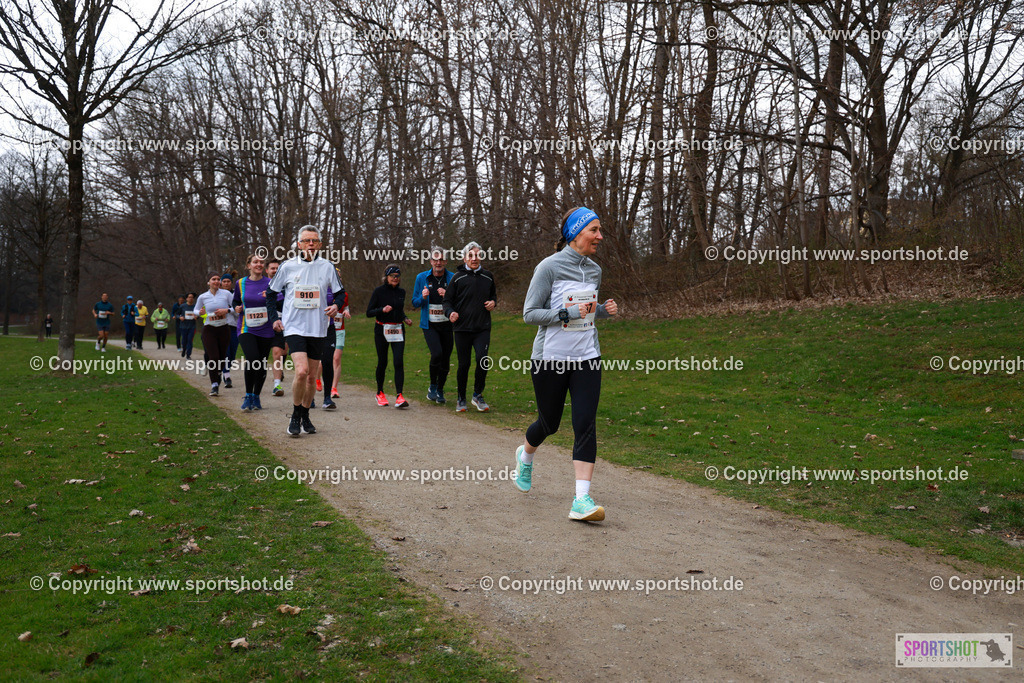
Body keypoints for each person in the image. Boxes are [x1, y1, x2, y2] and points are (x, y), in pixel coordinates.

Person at [515, 207, 618, 522]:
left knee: (585, 423)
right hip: (551, 359)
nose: (600, 236)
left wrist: (601, 309)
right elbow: (530, 313)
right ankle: (526, 455)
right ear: (576, 233)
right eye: (594, 230)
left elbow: (585, 311)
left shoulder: (595, 270)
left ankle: (581, 499)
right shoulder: (549, 267)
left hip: (587, 356)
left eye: (600, 231)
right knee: (549, 424)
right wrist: (564, 314)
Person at [267, 225, 346, 437]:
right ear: (299, 245)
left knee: (312, 377)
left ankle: (305, 414)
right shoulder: (287, 266)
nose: (310, 244)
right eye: (306, 241)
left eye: (314, 241)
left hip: (319, 327)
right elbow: (271, 293)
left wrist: (336, 306)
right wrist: (274, 318)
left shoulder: (328, 266)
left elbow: (340, 293)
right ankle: (294, 414)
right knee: (301, 371)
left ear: (320, 244)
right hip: (294, 326)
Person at [442, 242, 496, 412]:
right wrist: (450, 313)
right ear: (465, 258)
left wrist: (493, 303)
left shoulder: (488, 276)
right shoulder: (457, 277)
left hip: (482, 328)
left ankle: (478, 395)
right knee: (463, 364)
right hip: (462, 329)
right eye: (471, 256)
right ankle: (461, 398)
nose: (474, 259)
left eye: (477, 255)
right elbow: (447, 301)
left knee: (482, 360)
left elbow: (494, 296)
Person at [233, 254, 276, 411]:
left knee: (261, 362)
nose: (258, 264)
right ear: (248, 265)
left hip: (266, 328)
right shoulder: (240, 283)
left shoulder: (271, 283)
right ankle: (247, 395)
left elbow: (282, 299)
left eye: (261, 262)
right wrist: (237, 308)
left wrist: (271, 297)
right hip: (246, 328)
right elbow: (236, 301)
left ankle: (256, 396)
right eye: (255, 262)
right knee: (252, 358)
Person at [367, 265, 413, 408]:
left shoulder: (402, 292)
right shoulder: (378, 291)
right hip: (382, 329)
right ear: (386, 277)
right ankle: (380, 392)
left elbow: (399, 309)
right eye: (392, 276)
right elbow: (369, 312)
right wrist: (382, 309)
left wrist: (405, 318)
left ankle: (399, 396)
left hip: (397, 329)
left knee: (398, 361)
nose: (395, 278)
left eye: (397, 276)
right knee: (383, 361)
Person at [412, 249, 455, 404]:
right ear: (430, 261)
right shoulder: (421, 277)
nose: (438, 263)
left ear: (445, 262)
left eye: (441, 260)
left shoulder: (452, 278)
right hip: (429, 325)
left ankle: (441, 389)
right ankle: (433, 385)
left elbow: (459, 302)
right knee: (437, 353)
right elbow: (414, 302)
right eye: (435, 259)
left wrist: (448, 295)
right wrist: (423, 298)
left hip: (447, 324)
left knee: (446, 358)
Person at [194, 274, 234, 396]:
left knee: (222, 357)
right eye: (213, 279)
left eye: (218, 279)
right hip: (209, 329)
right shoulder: (203, 296)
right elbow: (195, 310)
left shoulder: (227, 294)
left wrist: (226, 311)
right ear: (208, 282)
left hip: (223, 328)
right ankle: (214, 385)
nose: (216, 281)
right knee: (214, 357)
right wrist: (200, 312)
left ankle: (218, 374)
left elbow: (235, 308)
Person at [316, 284, 350, 410]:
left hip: (331, 328)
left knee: (328, 360)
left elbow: (343, 301)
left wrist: (339, 307)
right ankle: (310, 397)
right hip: (312, 328)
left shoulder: (338, 290)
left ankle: (327, 397)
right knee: (313, 362)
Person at [265, 258, 287, 396]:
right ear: (267, 270)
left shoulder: (285, 284)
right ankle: (277, 385)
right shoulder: (263, 284)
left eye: (277, 268)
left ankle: (280, 370)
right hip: (266, 324)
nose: (275, 271)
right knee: (277, 353)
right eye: (272, 268)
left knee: (284, 352)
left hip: (286, 322)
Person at [328, 278, 350, 400]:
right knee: (322, 361)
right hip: (326, 330)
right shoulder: (323, 292)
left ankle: (334, 388)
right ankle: (317, 379)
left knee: (336, 358)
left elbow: (346, 307)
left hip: (339, 330)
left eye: (340, 278)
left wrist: (346, 312)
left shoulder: (344, 294)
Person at [220, 272, 239, 389]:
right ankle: (226, 376)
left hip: (234, 326)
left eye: (228, 281)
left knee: (232, 354)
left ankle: (224, 370)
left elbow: (238, 312)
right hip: (221, 326)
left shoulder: (236, 295)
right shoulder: (217, 295)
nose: (226, 283)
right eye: (224, 281)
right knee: (225, 353)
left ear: (231, 283)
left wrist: (228, 310)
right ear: (221, 283)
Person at [178, 293, 197, 359]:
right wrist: (180, 317)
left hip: (192, 326)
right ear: (186, 299)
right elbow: (177, 314)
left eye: (192, 297)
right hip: (183, 326)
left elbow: (198, 315)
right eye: (189, 297)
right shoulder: (182, 306)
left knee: (190, 341)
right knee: (184, 340)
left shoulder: (195, 306)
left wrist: (196, 317)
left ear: (193, 299)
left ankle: (188, 355)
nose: (190, 298)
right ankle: (184, 350)